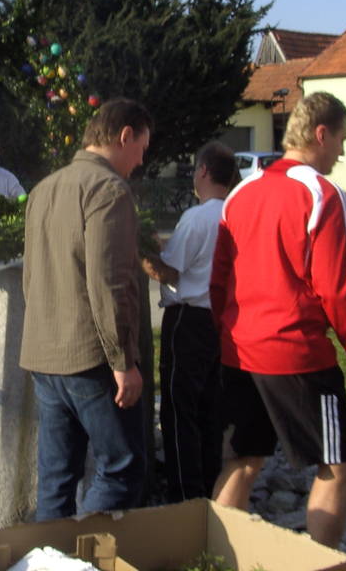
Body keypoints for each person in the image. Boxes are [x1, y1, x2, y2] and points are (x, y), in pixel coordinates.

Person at [209, 91, 346, 549]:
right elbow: (338, 287)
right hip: (296, 354)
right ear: (321, 135)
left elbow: (219, 280)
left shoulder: (240, 193)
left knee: (244, 459)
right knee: (338, 463)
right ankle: (321, 560)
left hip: (240, 350)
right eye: (341, 140)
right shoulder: (323, 194)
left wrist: (227, 336)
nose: (342, 152)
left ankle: (220, 556)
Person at [20, 97, 153, 520]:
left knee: (56, 479)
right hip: (92, 360)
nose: (141, 161)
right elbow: (110, 283)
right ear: (125, 136)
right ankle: (81, 554)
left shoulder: (43, 189)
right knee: (123, 469)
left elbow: (31, 278)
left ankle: (47, 555)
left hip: (44, 357)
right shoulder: (109, 190)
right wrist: (123, 361)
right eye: (141, 149)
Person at [141, 141, 237, 502]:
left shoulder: (197, 217)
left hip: (189, 318)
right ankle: (210, 485)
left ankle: (185, 492)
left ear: (203, 171)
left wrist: (140, 251)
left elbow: (168, 271)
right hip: (221, 319)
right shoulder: (236, 213)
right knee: (211, 407)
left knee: (180, 409)